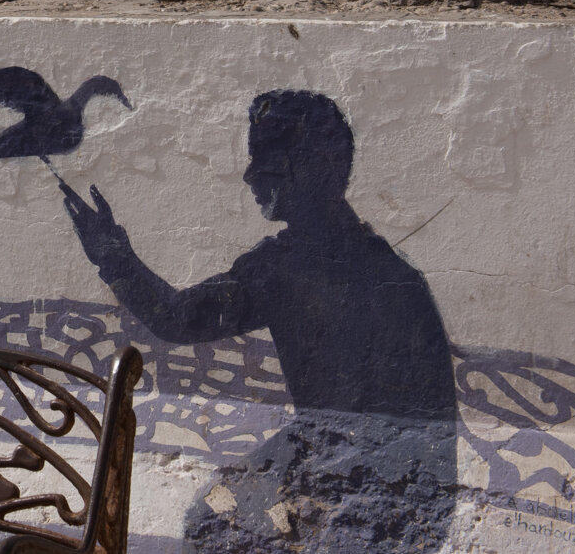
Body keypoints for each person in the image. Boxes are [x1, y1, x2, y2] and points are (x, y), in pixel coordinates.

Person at [63, 89, 457, 553]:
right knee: (214, 521)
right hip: (388, 467)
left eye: (266, 161)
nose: (250, 175)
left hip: (383, 475)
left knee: (213, 526)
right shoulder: (380, 267)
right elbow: (181, 319)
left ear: (313, 170)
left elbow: (179, 319)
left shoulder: (290, 268)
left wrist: (114, 258)